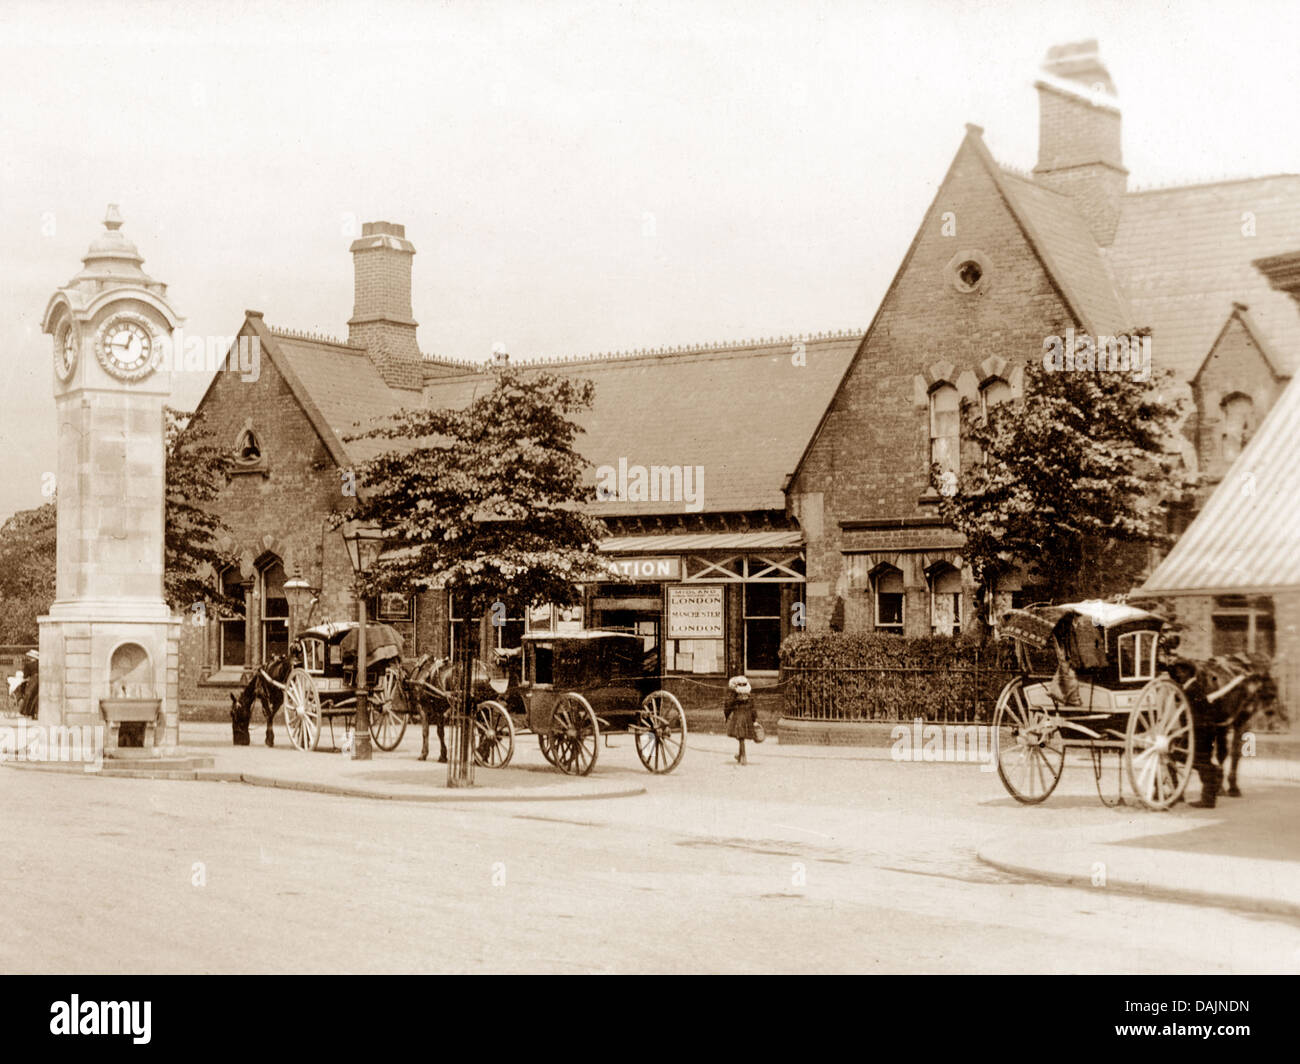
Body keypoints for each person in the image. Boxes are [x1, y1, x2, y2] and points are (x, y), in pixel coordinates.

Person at [724, 675, 756, 764]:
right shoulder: (749, 695)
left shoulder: (734, 695)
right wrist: (754, 719)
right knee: (741, 737)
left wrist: (726, 716)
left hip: (738, 717)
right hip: (748, 717)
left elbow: (728, 706)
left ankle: (743, 756)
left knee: (740, 737)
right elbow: (753, 708)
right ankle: (740, 755)